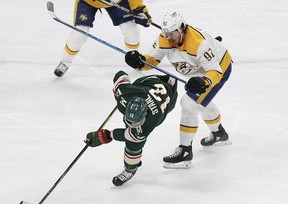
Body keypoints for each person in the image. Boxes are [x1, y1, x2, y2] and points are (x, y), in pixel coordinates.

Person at [124, 11, 233, 169]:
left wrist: (205, 81)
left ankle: (185, 151)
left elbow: (215, 72)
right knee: (200, 101)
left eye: (172, 34)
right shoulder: (165, 38)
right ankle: (219, 134)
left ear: (182, 28)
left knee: (189, 103)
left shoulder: (199, 43)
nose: (169, 38)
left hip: (218, 69)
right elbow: (152, 61)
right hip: (198, 69)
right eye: (166, 34)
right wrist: (139, 61)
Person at [84, 70, 178, 186]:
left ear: (145, 115)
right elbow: (120, 74)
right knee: (133, 134)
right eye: (130, 121)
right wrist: (122, 86)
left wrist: (107, 135)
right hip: (148, 83)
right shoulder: (124, 93)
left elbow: (128, 135)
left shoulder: (151, 120)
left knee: (133, 144)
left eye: (135, 123)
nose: (132, 125)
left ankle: (130, 169)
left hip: (168, 97)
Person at [54, 0, 152, 77]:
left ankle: (133, 58)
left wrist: (140, 10)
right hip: (89, 2)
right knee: (79, 34)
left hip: (117, 2)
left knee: (132, 31)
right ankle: (66, 61)